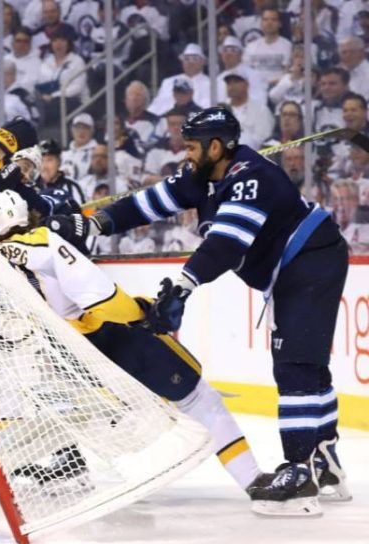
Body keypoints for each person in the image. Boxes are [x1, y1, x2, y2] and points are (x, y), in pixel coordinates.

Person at [49, 106, 351, 516]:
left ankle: (300, 473)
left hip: (309, 259)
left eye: (192, 145)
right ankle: (324, 459)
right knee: (307, 362)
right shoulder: (203, 176)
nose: (185, 153)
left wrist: (181, 286)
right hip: (299, 264)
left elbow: (227, 243)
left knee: (295, 364)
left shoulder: (251, 176)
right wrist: (95, 223)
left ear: (216, 145)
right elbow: (149, 203)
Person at [0, 190, 268, 506]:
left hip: (59, 355)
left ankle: (74, 471)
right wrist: (143, 312)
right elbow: (101, 298)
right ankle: (253, 480)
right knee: (198, 398)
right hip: (105, 339)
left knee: (97, 420)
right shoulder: (45, 242)